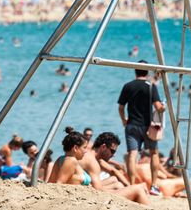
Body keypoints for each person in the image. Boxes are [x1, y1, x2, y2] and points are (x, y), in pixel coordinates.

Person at [52, 130, 151, 206]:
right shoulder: (89, 161)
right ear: (103, 147)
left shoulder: (61, 159)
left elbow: (51, 183)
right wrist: (130, 188)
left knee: (117, 183)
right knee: (138, 189)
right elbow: (99, 192)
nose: (113, 155)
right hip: (91, 200)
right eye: (112, 151)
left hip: (86, 195)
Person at [118, 63, 165, 194]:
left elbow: (121, 107)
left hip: (132, 124)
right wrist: (164, 107)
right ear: (147, 72)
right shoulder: (151, 86)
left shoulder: (128, 86)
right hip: (148, 126)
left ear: (135, 70)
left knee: (132, 154)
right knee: (154, 153)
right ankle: (153, 186)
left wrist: (124, 120)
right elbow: (158, 107)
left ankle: (132, 184)